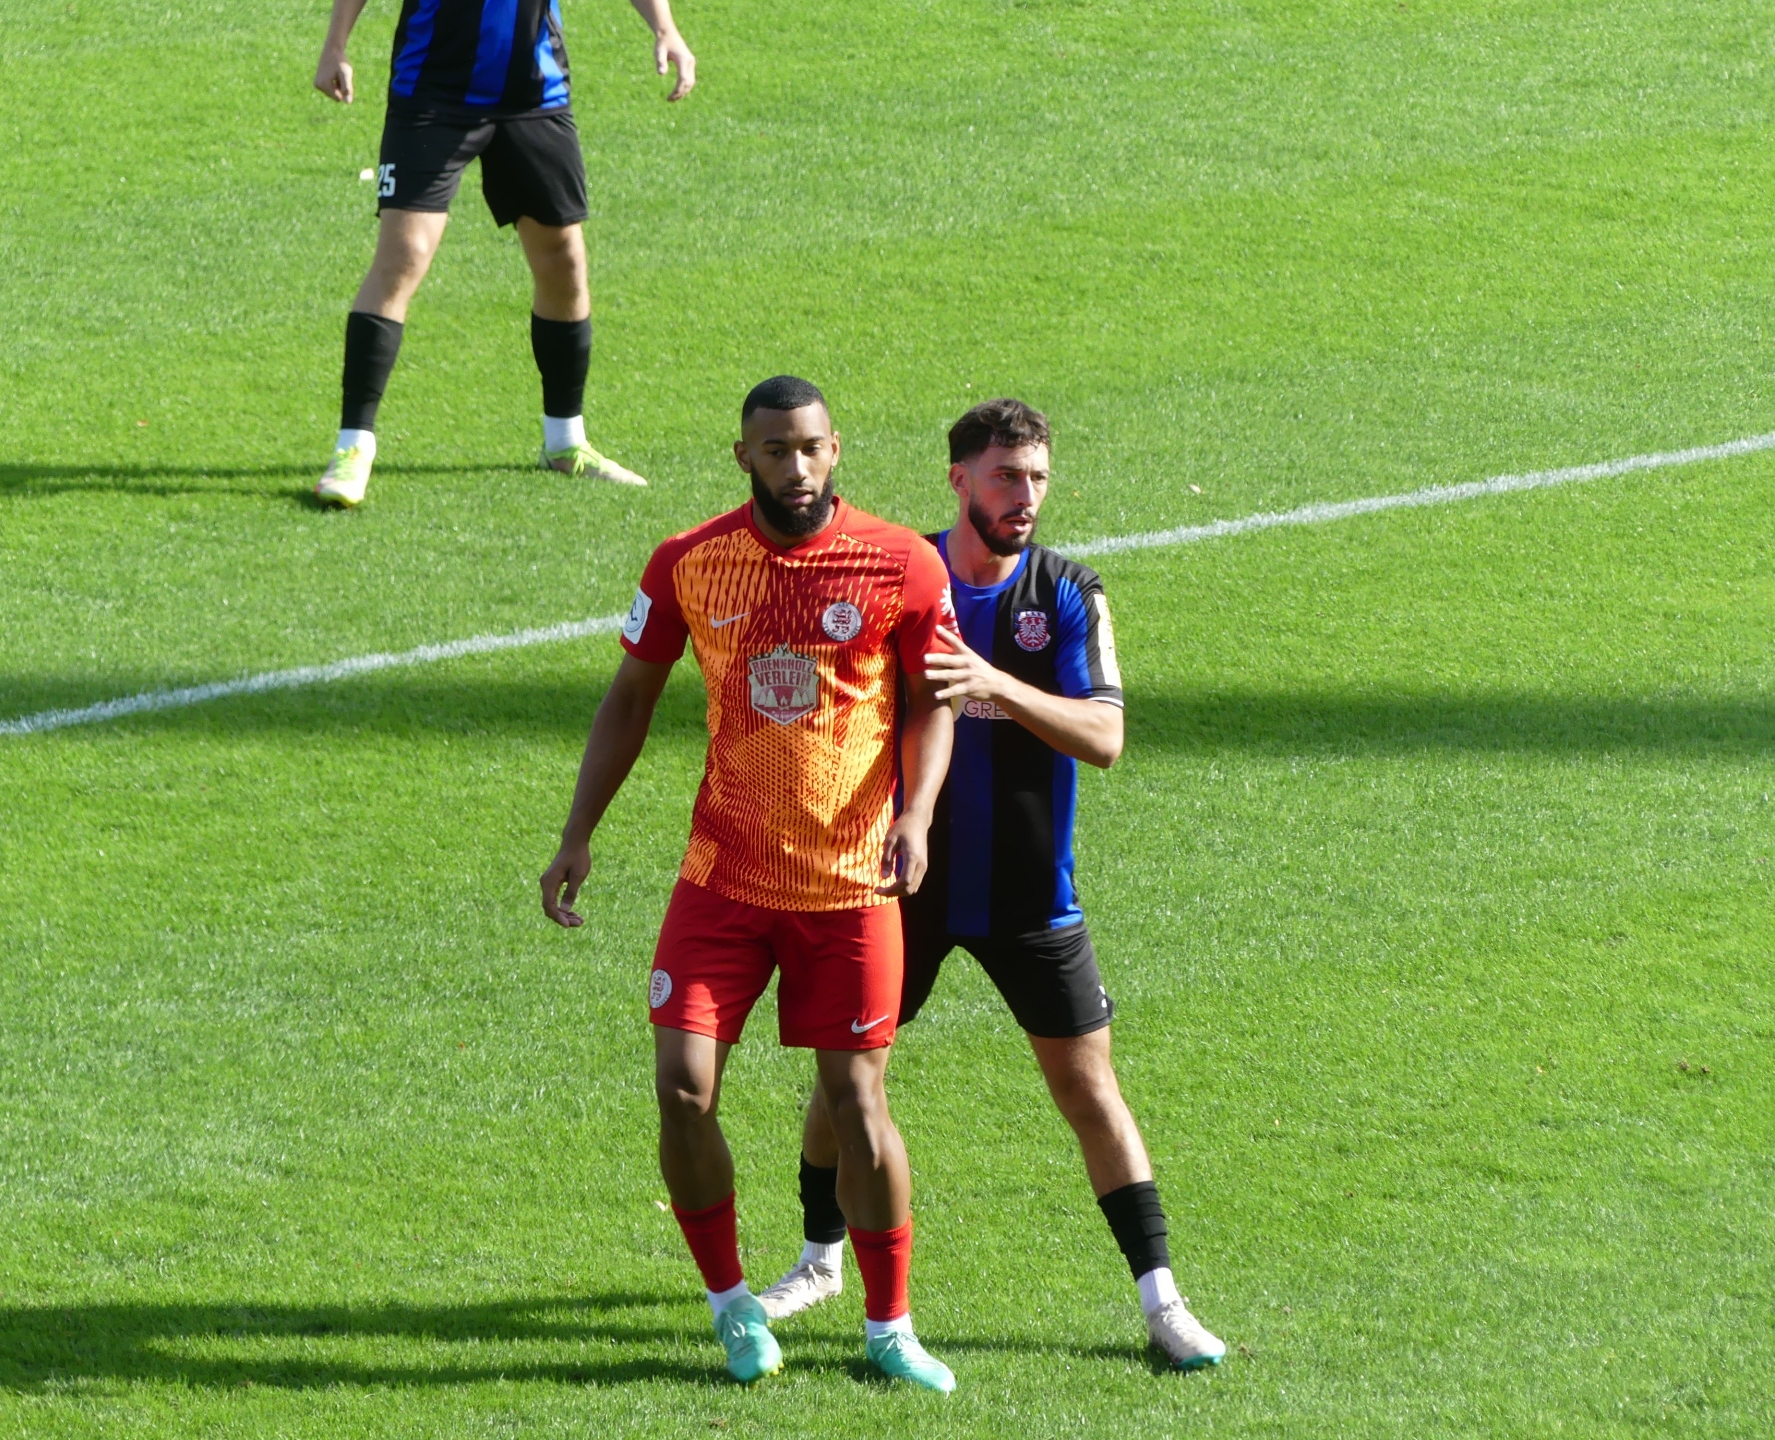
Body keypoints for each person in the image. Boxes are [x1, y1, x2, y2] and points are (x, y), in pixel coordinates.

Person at [759, 397, 1228, 1369]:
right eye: (1007, 476)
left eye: (1039, 478)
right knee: (848, 1080)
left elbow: (1106, 737)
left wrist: (995, 684)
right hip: (901, 885)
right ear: (959, 480)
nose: (1027, 496)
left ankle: (1164, 1303)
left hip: (1030, 896)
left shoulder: (1067, 591)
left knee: (1089, 1090)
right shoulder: (899, 574)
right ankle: (818, 1261)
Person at [539, 376, 962, 1389]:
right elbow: (630, 697)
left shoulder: (900, 562)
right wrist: (577, 834)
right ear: (744, 457)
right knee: (682, 1089)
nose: (797, 466)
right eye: (776, 450)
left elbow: (934, 701)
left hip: (849, 884)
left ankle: (890, 1327)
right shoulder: (690, 562)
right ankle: (732, 1307)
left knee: (857, 1103)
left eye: (811, 447)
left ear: (836, 448)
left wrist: (916, 813)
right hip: (722, 879)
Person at [310, 0, 695, 505]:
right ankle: (353, 447)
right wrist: (335, 46)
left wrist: (665, 28)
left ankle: (565, 442)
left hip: (534, 93)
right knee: (404, 255)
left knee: (563, 259)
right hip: (431, 94)